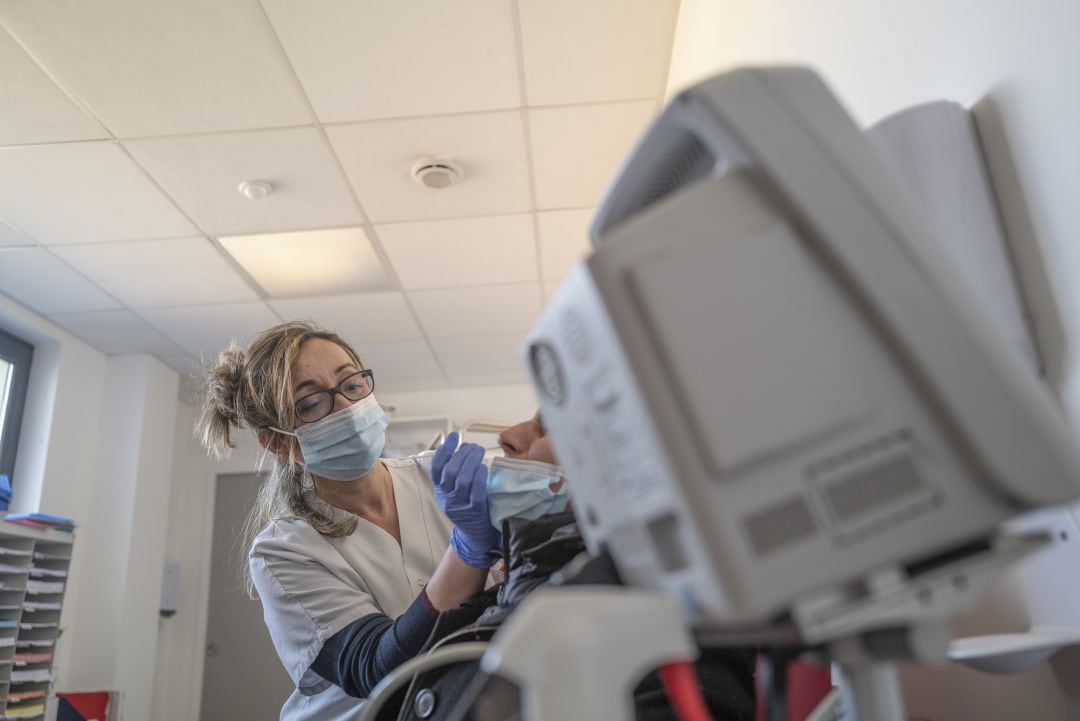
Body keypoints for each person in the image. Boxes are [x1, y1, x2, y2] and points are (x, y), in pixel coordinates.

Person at [197, 321, 502, 721]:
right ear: (278, 442)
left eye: (352, 384)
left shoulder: (442, 479)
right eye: (310, 404)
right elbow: (378, 667)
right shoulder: (284, 552)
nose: (347, 407)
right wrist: (469, 550)